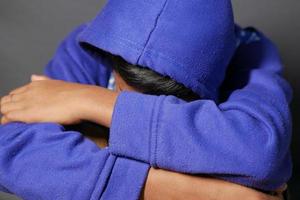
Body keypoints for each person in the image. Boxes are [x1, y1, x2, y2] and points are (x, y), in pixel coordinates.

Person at [0, 0, 291, 199]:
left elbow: (258, 153)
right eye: (122, 90)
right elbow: (12, 151)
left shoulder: (251, 52)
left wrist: (93, 102)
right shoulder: (90, 47)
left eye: (169, 102)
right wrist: (191, 190)